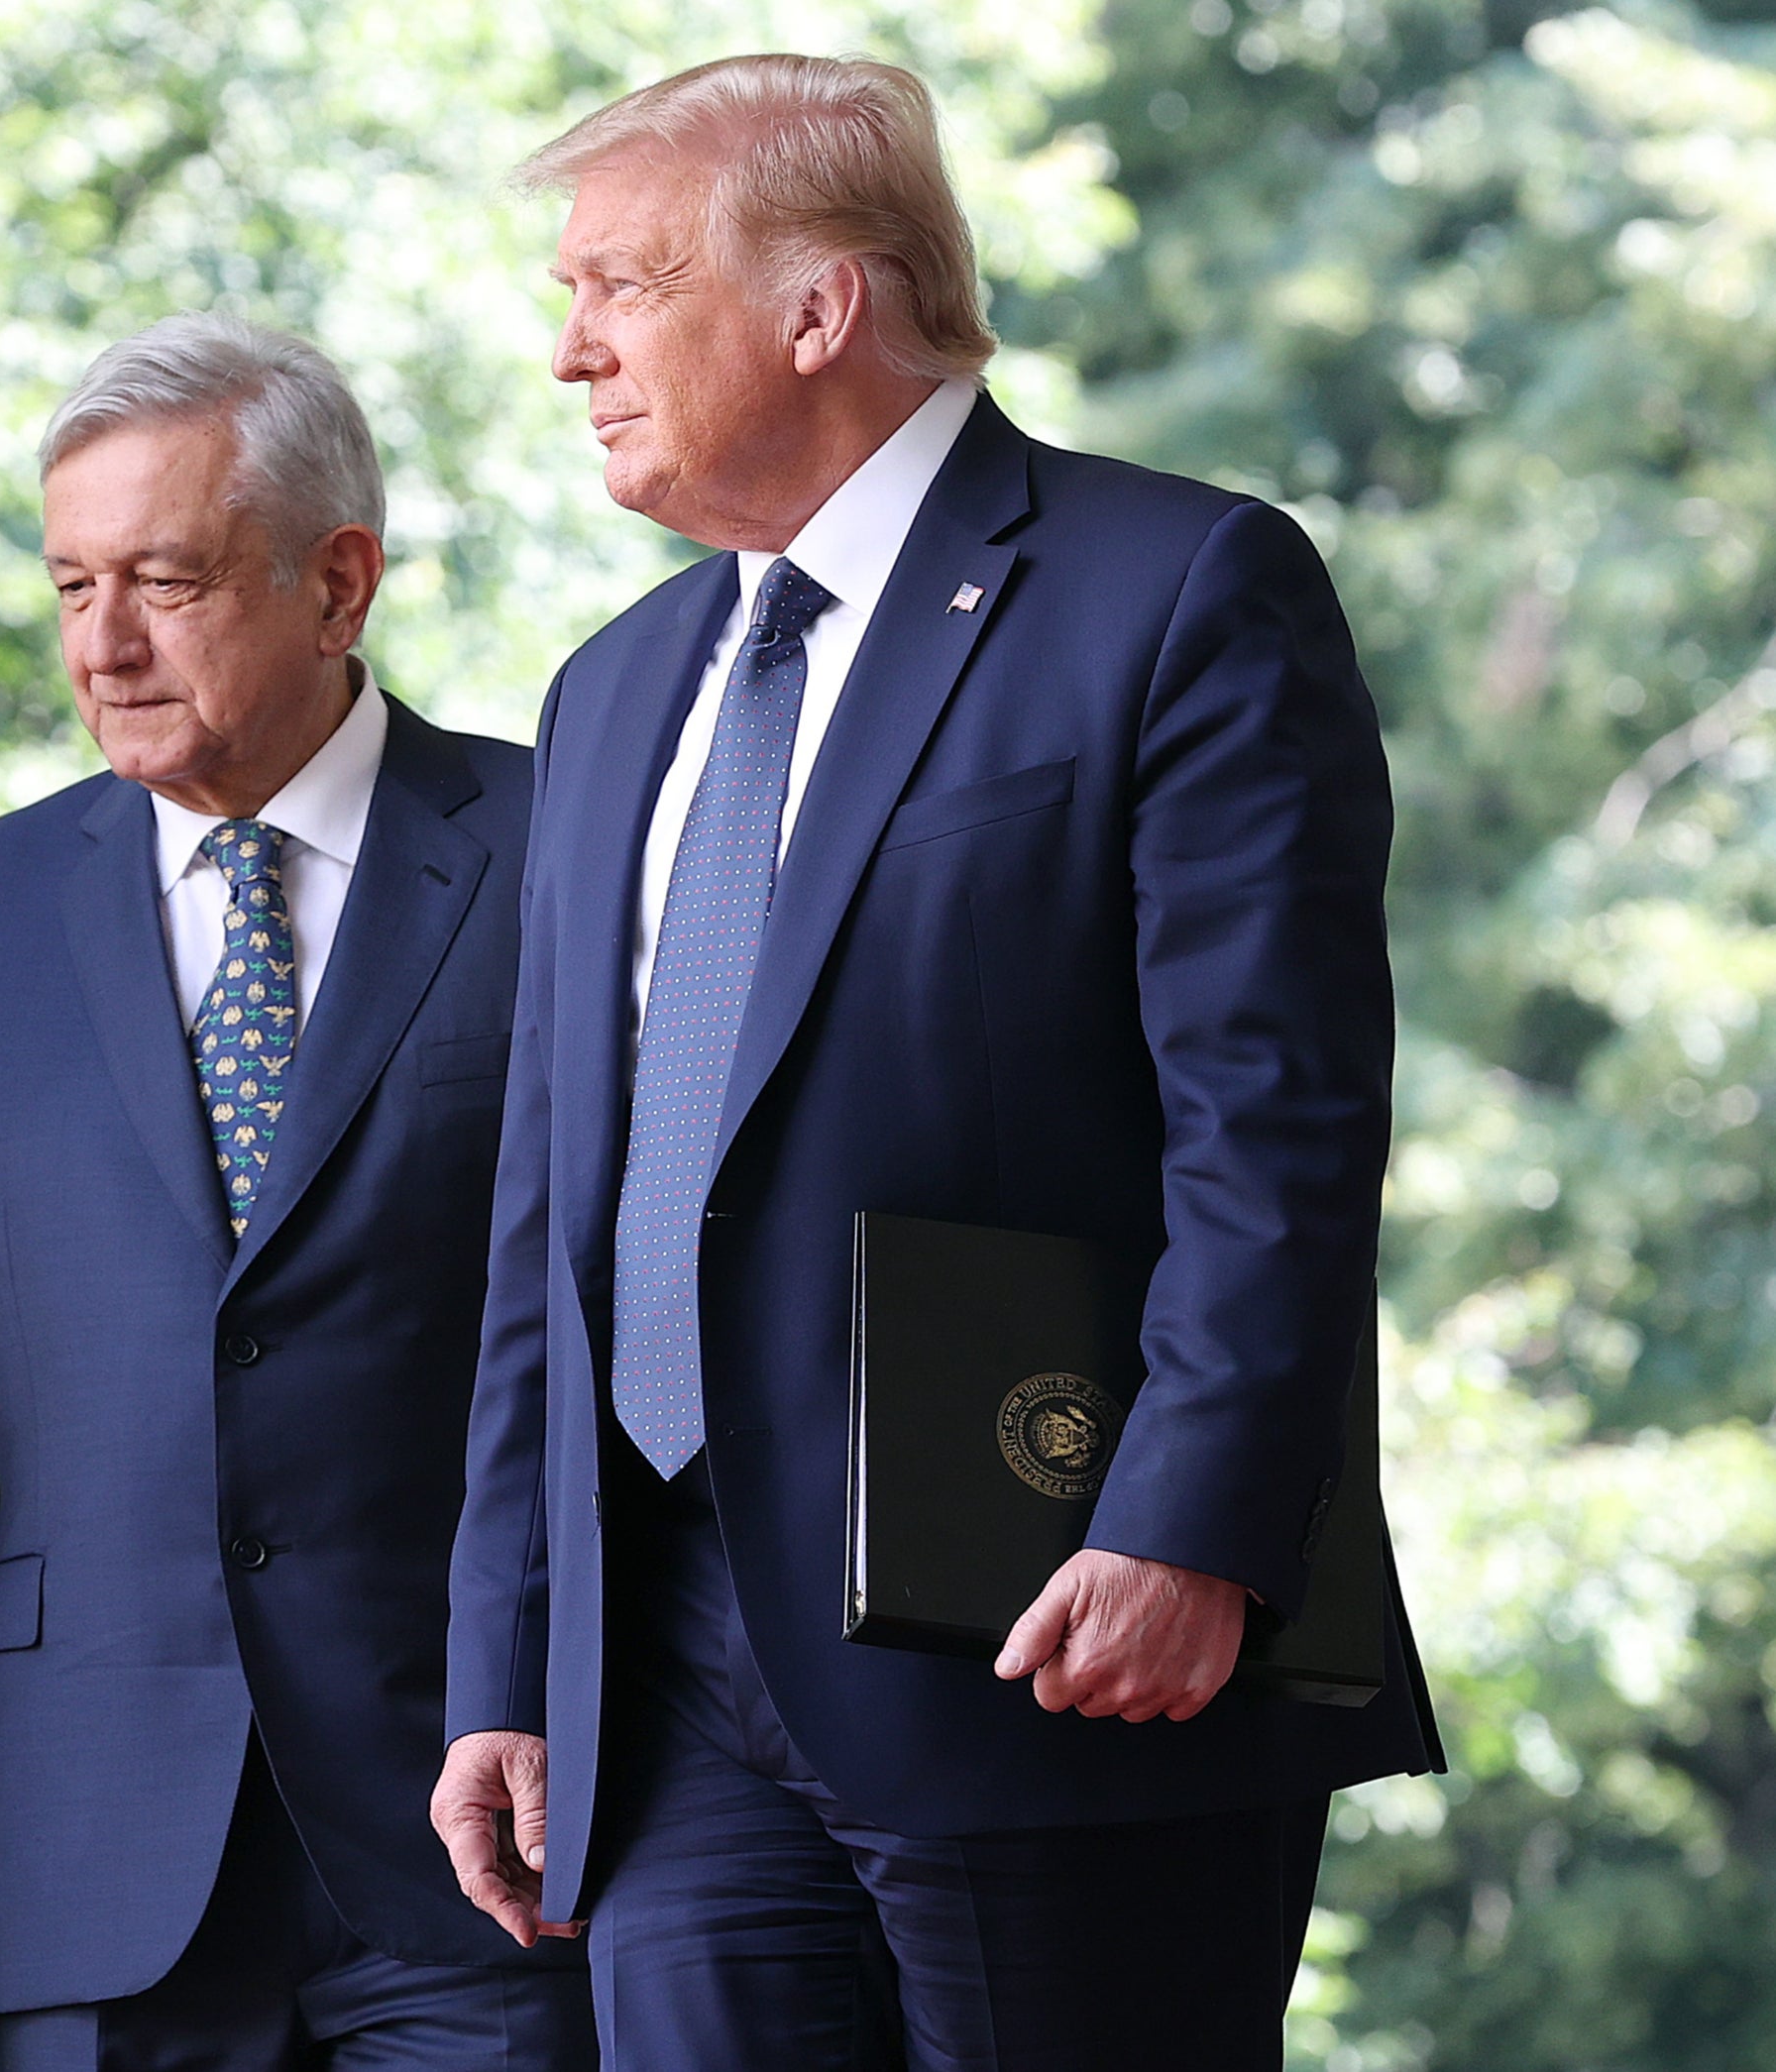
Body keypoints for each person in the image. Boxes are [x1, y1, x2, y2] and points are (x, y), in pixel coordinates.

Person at [431, 55, 1440, 2072]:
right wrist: (512, 1646)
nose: (569, 352)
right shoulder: (613, 687)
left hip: (1053, 1622)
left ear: (816, 307)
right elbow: (557, 1198)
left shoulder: (1175, 591)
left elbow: (1278, 1121)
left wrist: (1193, 1520)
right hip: (666, 1681)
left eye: (620, 285)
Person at [0, 315, 593, 2072]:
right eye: (70, 587)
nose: (103, 645)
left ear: (337, 581)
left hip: (488, 1842)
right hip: (92, 1854)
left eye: (165, 581)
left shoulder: (568, 856)